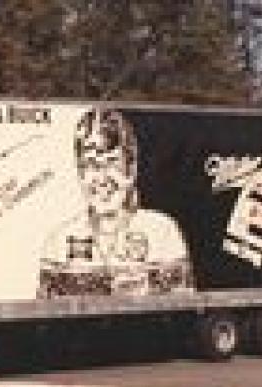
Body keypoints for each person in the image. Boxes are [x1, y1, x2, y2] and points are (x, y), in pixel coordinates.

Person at [38, 107, 192, 298]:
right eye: (91, 164)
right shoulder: (58, 241)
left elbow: (183, 306)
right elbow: (46, 310)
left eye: (112, 162)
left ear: (131, 168)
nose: (102, 178)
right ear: (80, 173)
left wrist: (147, 291)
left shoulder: (162, 233)